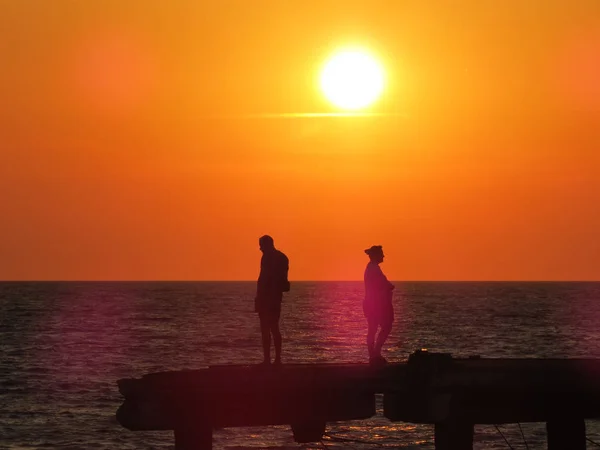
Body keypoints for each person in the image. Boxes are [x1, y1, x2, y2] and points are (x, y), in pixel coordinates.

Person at [255, 235, 289, 365]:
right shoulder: (280, 257)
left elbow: (264, 279)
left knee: (269, 328)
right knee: (271, 328)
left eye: (262, 245)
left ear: (267, 245)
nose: (260, 248)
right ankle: (273, 359)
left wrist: (260, 297)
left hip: (269, 298)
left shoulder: (274, 258)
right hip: (271, 298)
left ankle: (271, 359)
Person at [363, 245, 394, 365]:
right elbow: (382, 284)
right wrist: (389, 286)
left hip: (374, 303)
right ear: (376, 255)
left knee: (374, 329)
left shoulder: (373, 268)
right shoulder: (373, 269)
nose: (383, 256)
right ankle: (375, 354)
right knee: (383, 327)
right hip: (377, 304)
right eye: (381, 254)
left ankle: (374, 354)